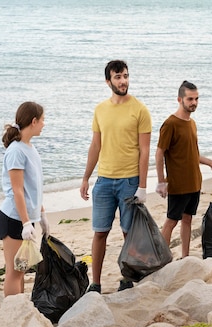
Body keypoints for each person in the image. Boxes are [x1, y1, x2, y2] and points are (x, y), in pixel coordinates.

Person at [80, 59, 152, 294]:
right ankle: (96, 283)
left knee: (128, 233)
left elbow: (145, 151)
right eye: (118, 77)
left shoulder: (140, 109)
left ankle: (127, 278)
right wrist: (85, 178)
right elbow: (95, 145)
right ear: (108, 81)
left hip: (129, 181)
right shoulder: (100, 109)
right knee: (100, 232)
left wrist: (142, 186)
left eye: (125, 76)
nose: (123, 81)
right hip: (103, 181)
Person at [155, 81, 212, 259]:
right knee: (171, 221)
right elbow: (159, 153)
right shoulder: (170, 124)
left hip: (194, 182)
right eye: (190, 99)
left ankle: (185, 257)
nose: (194, 102)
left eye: (196, 99)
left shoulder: (192, 123)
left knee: (187, 220)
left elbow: (193, 153)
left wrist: (211, 163)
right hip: (178, 184)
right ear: (180, 99)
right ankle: (162, 258)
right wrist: (161, 181)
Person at [0, 101, 49, 297]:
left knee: (22, 269)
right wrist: (26, 222)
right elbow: (17, 190)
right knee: (14, 271)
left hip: (27, 217)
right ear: (34, 121)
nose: (44, 124)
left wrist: (41, 214)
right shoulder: (16, 151)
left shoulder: (30, 148)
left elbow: (33, 187)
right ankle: (12, 313)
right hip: (14, 218)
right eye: (43, 120)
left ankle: (20, 308)